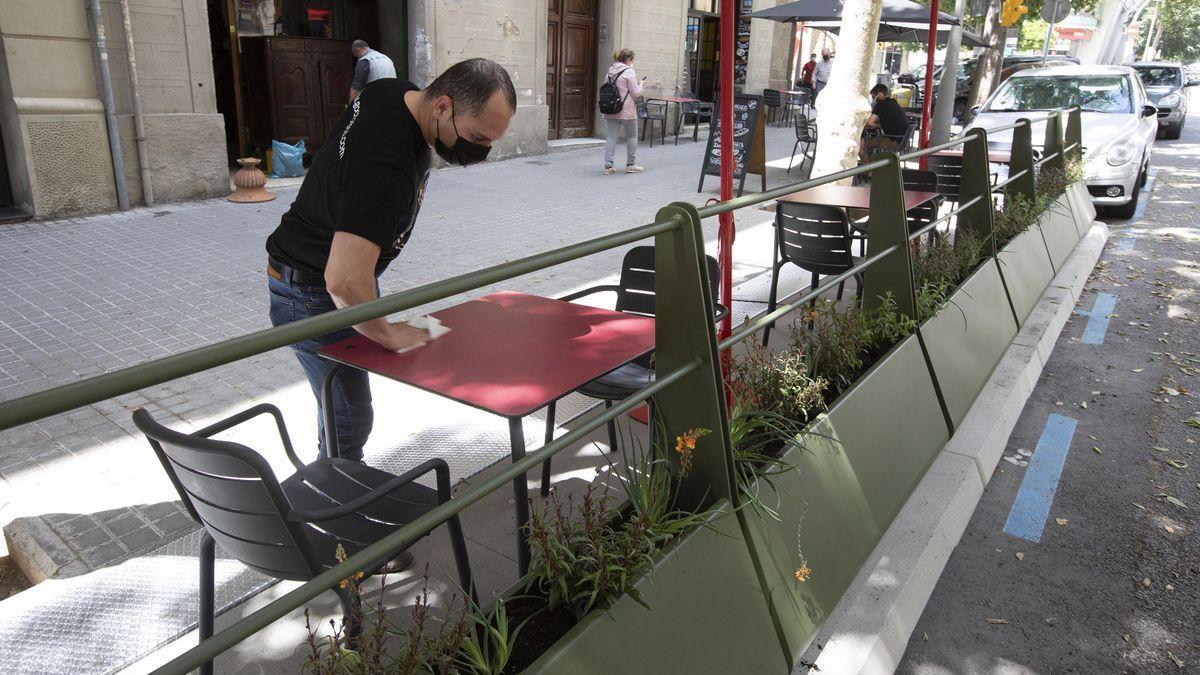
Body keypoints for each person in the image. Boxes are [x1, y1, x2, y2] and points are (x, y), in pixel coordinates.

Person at [266, 58, 517, 463]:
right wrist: (385, 332)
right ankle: (332, 503)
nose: (480, 151)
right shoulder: (388, 165)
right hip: (313, 290)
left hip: (321, 270)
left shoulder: (393, 92)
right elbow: (345, 281)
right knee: (348, 417)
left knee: (338, 407)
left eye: (490, 142)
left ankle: (332, 484)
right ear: (442, 106)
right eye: (475, 137)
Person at [602, 48, 645, 175]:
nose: (633, 62)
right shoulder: (629, 72)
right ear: (628, 59)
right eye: (632, 59)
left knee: (611, 137)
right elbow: (636, 93)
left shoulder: (610, 71)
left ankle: (608, 166)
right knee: (632, 136)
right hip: (627, 110)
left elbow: (606, 86)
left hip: (611, 108)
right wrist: (641, 84)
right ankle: (630, 165)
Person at [860, 84, 908, 162]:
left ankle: (870, 171)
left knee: (862, 145)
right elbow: (888, 118)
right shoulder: (892, 102)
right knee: (870, 143)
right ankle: (872, 165)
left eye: (873, 96)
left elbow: (869, 123)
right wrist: (879, 124)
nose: (873, 99)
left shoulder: (881, 104)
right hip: (902, 139)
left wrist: (877, 125)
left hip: (893, 140)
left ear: (879, 94)